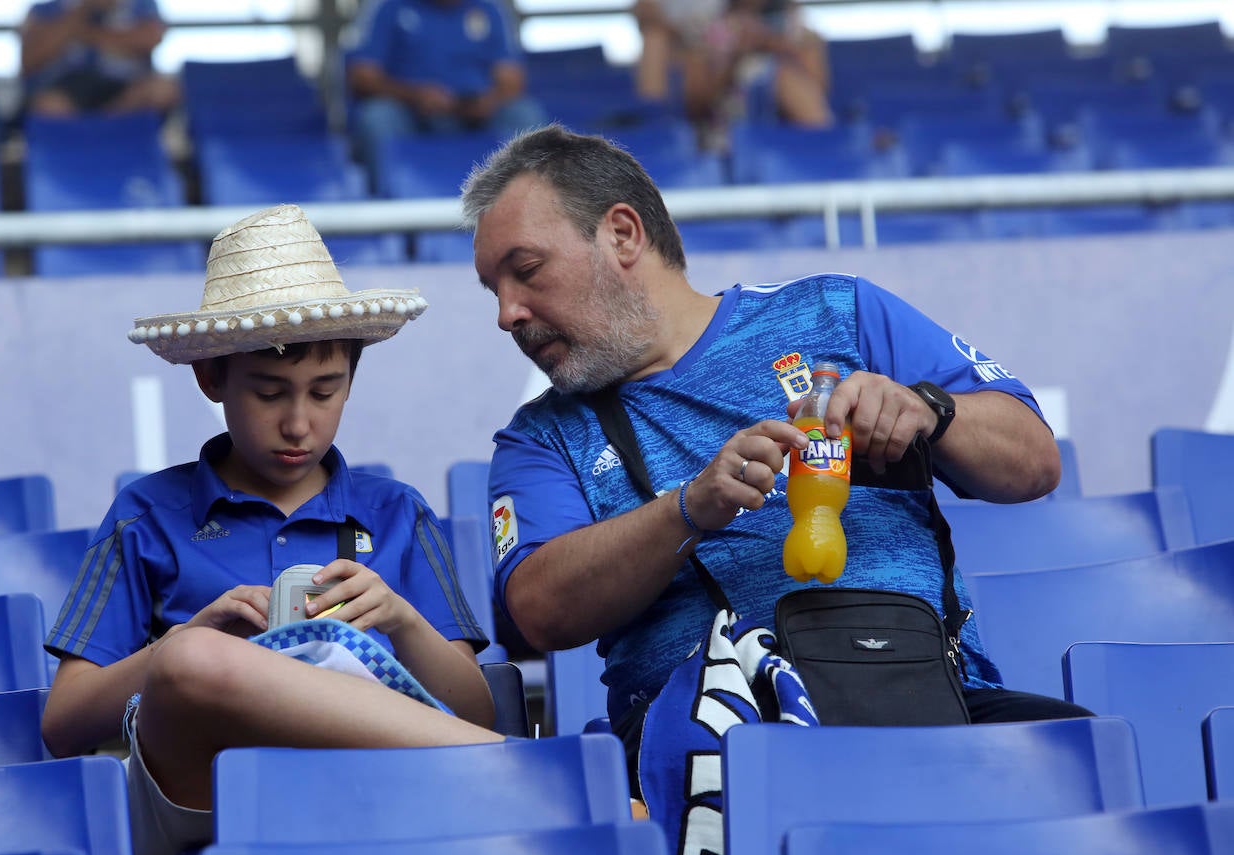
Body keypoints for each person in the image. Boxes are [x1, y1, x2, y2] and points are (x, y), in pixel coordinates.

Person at [461, 123, 1091, 786]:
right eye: (492, 289)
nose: (507, 313)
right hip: (706, 751)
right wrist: (689, 508)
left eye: (526, 271)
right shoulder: (539, 437)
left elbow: (1035, 463)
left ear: (622, 234)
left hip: (921, 696)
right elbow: (539, 610)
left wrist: (932, 412)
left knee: (1077, 759)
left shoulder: (838, 311)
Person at [42, 203, 504, 855]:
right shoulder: (146, 517)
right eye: (267, 393)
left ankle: (509, 771)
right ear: (211, 381)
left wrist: (402, 623)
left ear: (353, 377)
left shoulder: (396, 512)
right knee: (193, 659)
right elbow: (63, 724)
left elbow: (475, 710)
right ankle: (528, 777)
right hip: (207, 808)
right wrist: (188, 645)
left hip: (381, 802)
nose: (298, 423)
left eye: (326, 392)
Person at [344, 0, 546, 164]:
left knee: (525, 115)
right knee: (377, 118)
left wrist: (489, 101)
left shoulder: (489, 8)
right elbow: (363, 75)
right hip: (411, 112)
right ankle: (388, 201)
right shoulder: (388, 7)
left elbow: (512, 78)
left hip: (476, 115)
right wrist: (415, 95)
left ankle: (535, 201)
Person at [633, 0, 831, 145]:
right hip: (721, 135)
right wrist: (734, 62)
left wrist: (778, 47)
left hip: (784, 132)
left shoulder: (796, 30)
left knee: (787, 79)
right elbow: (696, 104)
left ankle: (823, 151)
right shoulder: (706, 29)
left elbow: (818, 90)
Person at [19, 0, 177, 117]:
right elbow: (29, 60)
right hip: (66, 88)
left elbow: (150, 38)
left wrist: (84, 34)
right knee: (48, 106)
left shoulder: (141, 5)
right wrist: (85, 8)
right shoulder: (43, 10)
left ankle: (104, 125)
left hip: (125, 91)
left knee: (162, 91)